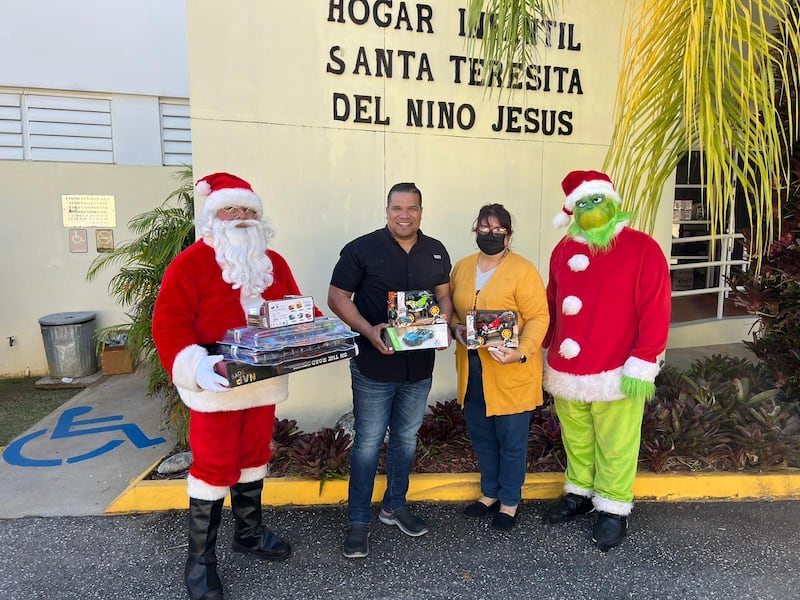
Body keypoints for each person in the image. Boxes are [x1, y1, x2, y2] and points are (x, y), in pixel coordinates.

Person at [153, 172, 315, 599]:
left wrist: (316, 329)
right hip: (214, 382)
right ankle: (200, 560)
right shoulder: (190, 263)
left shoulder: (273, 262)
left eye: (249, 211)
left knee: (253, 456)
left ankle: (249, 532)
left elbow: (294, 306)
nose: (241, 217)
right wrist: (192, 365)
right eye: (232, 209)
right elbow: (167, 321)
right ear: (213, 216)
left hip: (262, 382)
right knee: (212, 467)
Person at [542, 170, 671, 551]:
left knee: (616, 441)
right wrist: (543, 348)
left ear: (613, 201)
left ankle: (613, 508)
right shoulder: (562, 250)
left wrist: (644, 358)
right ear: (572, 212)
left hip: (618, 366)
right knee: (577, 436)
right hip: (566, 368)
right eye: (582, 203)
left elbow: (656, 307)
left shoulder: (641, 247)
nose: (590, 208)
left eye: (596, 200)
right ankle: (579, 493)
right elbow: (552, 303)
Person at [327, 182, 453, 559]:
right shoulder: (361, 249)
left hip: (419, 368)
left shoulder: (435, 251)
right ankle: (358, 521)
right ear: (387, 210)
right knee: (367, 443)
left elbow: (444, 295)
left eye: (411, 208)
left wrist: (443, 324)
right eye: (397, 208)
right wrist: (368, 329)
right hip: (373, 365)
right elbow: (337, 297)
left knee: (405, 440)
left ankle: (394, 506)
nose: (404, 214)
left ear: (421, 211)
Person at [449, 204, 549, 532]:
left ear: (508, 235)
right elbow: (453, 311)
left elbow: (538, 317)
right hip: (473, 369)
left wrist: (521, 351)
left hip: (511, 371)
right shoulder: (462, 268)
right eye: (484, 228)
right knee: (482, 436)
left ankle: (509, 501)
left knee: (511, 440)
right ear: (475, 228)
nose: (489, 235)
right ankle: (489, 493)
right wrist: (455, 328)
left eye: (497, 231)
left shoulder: (523, 270)